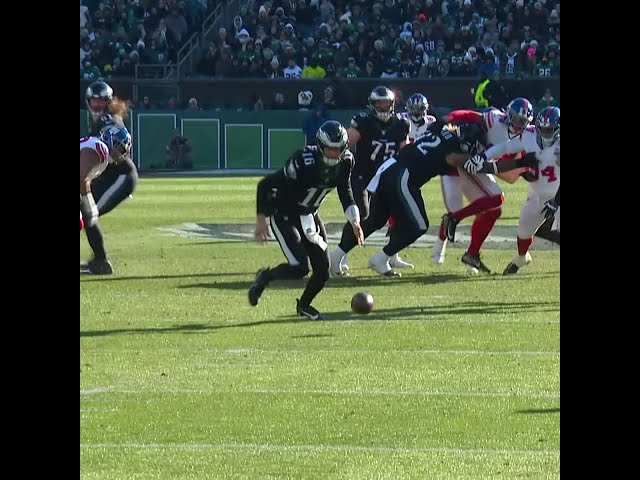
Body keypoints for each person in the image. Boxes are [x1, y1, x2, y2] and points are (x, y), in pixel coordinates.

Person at [330, 122, 504, 277]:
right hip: (403, 176)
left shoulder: (441, 132)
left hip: (389, 170)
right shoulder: (454, 148)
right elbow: (467, 162)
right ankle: (380, 258)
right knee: (418, 226)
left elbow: (440, 128)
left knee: (375, 220)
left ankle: (336, 256)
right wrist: (516, 163)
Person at [249, 120, 364, 320]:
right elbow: (266, 184)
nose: (334, 154)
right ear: (320, 146)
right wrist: (261, 218)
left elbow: (345, 191)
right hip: (285, 213)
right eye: (330, 149)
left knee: (322, 271)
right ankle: (265, 277)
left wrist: (355, 221)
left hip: (310, 214)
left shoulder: (346, 161)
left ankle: (304, 305)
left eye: (338, 149)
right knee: (299, 267)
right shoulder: (304, 161)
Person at [435, 97, 534, 273]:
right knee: (496, 198)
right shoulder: (495, 119)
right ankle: (454, 218)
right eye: (516, 119)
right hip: (470, 162)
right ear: (508, 115)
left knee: (494, 210)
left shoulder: (526, 136)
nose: (518, 124)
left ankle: (471, 254)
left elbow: (508, 170)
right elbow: (468, 115)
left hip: (482, 167)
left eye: (523, 121)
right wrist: (447, 119)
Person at [465, 107, 560, 275]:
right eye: (542, 129)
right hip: (537, 195)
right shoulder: (529, 135)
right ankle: (522, 258)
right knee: (523, 232)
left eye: (549, 130)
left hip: (557, 195)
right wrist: (483, 157)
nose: (544, 133)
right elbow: (505, 147)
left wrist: (556, 202)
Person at [331, 86, 410, 276]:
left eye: (386, 103)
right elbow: (345, 142)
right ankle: (340, 255)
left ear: (392, 104)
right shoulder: (364, 122)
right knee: (362, 213)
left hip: (385, 177)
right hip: (362, 174)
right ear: (372, 104)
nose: (382, 107)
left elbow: (405, 152)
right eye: (379, 103)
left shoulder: (401, 123)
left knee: (393, 215)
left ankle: (389, 257)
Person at [81, 80, 138, 274]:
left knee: (88, 215)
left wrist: (116, 148)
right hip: (109, 177)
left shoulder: (107, 120)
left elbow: (120, 136)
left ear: (107, 102)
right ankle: (99, 260)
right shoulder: (101, 120)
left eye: (100, 101)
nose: (96, 105)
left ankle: (100, 261)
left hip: (121, 176)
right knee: (85, 212)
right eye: (93, 101)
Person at [80, 125, 133, 258]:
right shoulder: (101, 149)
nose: (120, 154)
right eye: (120, 147)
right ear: (111, 139)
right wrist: (89, 203)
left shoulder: (97, 147)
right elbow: (81, 178)